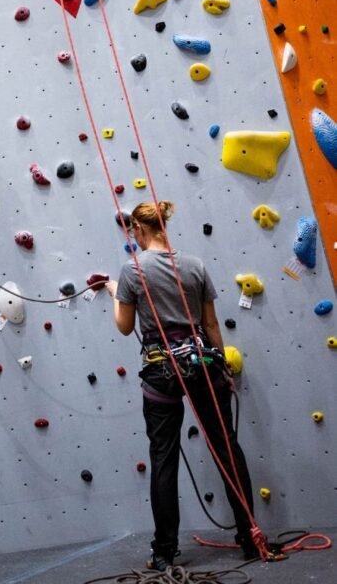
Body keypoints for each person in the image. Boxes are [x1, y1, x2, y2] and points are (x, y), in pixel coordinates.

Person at [104, 200, 257, 571]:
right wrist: (224, 369)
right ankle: (249, 538)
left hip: (161, 370)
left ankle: (164, 550)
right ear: (162, 226)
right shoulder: (195, 266)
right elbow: (212, 326)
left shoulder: (131, 270)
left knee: (163, 457)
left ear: (139, 230)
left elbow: (125, 327)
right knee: (226, 448)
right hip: (202, 363)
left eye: (133, 233)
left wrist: (113, 290)